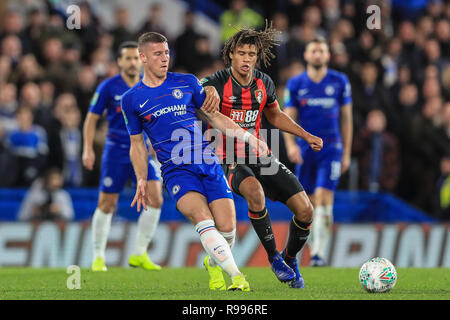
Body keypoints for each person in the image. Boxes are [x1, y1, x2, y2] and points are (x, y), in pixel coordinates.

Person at [121, 32, 270, 291]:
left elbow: (216, 118)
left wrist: (250, 138)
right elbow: (136, 144)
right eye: (158, 54)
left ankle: (212, 264)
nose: (164, 58)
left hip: (208, 162)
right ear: (142, 57)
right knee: (203, 219)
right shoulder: (132, 99)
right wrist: (142, 177)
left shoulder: (187, 83)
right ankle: (237, 276)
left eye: (167, 52)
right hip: (176, 171)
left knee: (228, 230)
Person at [201, 23, 323, 289]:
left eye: (252, 54)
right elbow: (196, 90)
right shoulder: (216, 83)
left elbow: (276, 115)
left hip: (260, 154)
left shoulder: (263, 83)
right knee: (254, 192)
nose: (247, 59)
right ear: (231, 53)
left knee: (306, 210)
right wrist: (206, 89)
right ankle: (274, 257)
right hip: (227, 157)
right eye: (242, 53)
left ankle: (290, 259)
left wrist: (306, 135)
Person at [82, 41, 163, 272]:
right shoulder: (108, 87)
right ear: (119, 62)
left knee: (156, 197)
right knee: (107, 203)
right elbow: (91, 119)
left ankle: (139, 253)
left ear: (142, 60)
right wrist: (87, 148)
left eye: (135, 58)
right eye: (127, 58)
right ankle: (98, 257)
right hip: (116, 151)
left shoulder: (149, 85)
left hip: (142, 151)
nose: (132, 62)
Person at [283, 37, 353, 267]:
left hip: (331, 148)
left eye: (322, 50)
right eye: (314, 50)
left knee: (325, 197)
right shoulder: (295, 84)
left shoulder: (339, 81)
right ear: (306, 55)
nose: (318, 55)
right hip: (306, 149)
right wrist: (291, 145)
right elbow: (287, 118)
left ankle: (318, 254)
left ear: (328, 56)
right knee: (308, 204)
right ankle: (314, 250)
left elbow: (346, 118)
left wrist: (345, 153)